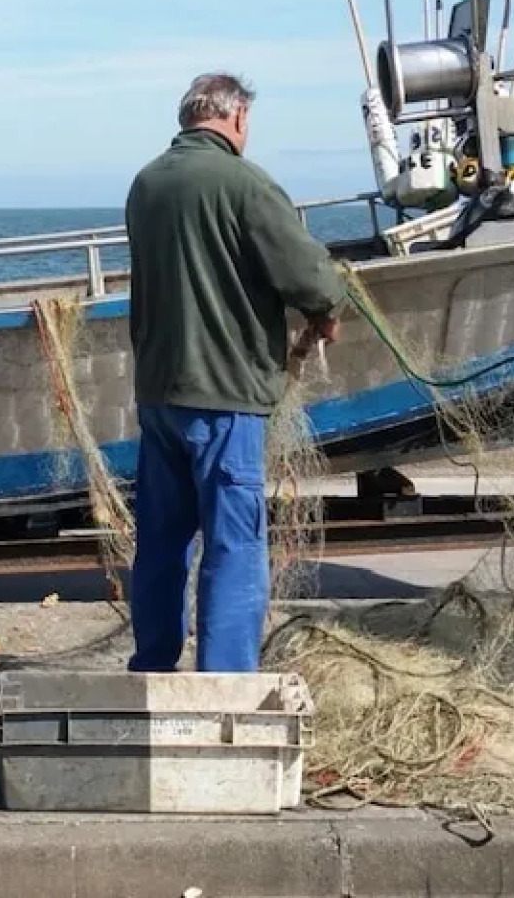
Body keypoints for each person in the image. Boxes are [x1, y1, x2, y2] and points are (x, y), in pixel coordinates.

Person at [123, 73, 347, 673]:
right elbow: (308, 275)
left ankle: (152, 667)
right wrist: (328, 309)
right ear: (238, 117)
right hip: (226, 396)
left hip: (159, 394)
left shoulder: (147, 184)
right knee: (234, 544)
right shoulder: (245, 183)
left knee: (161, 541)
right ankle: (225, 679)